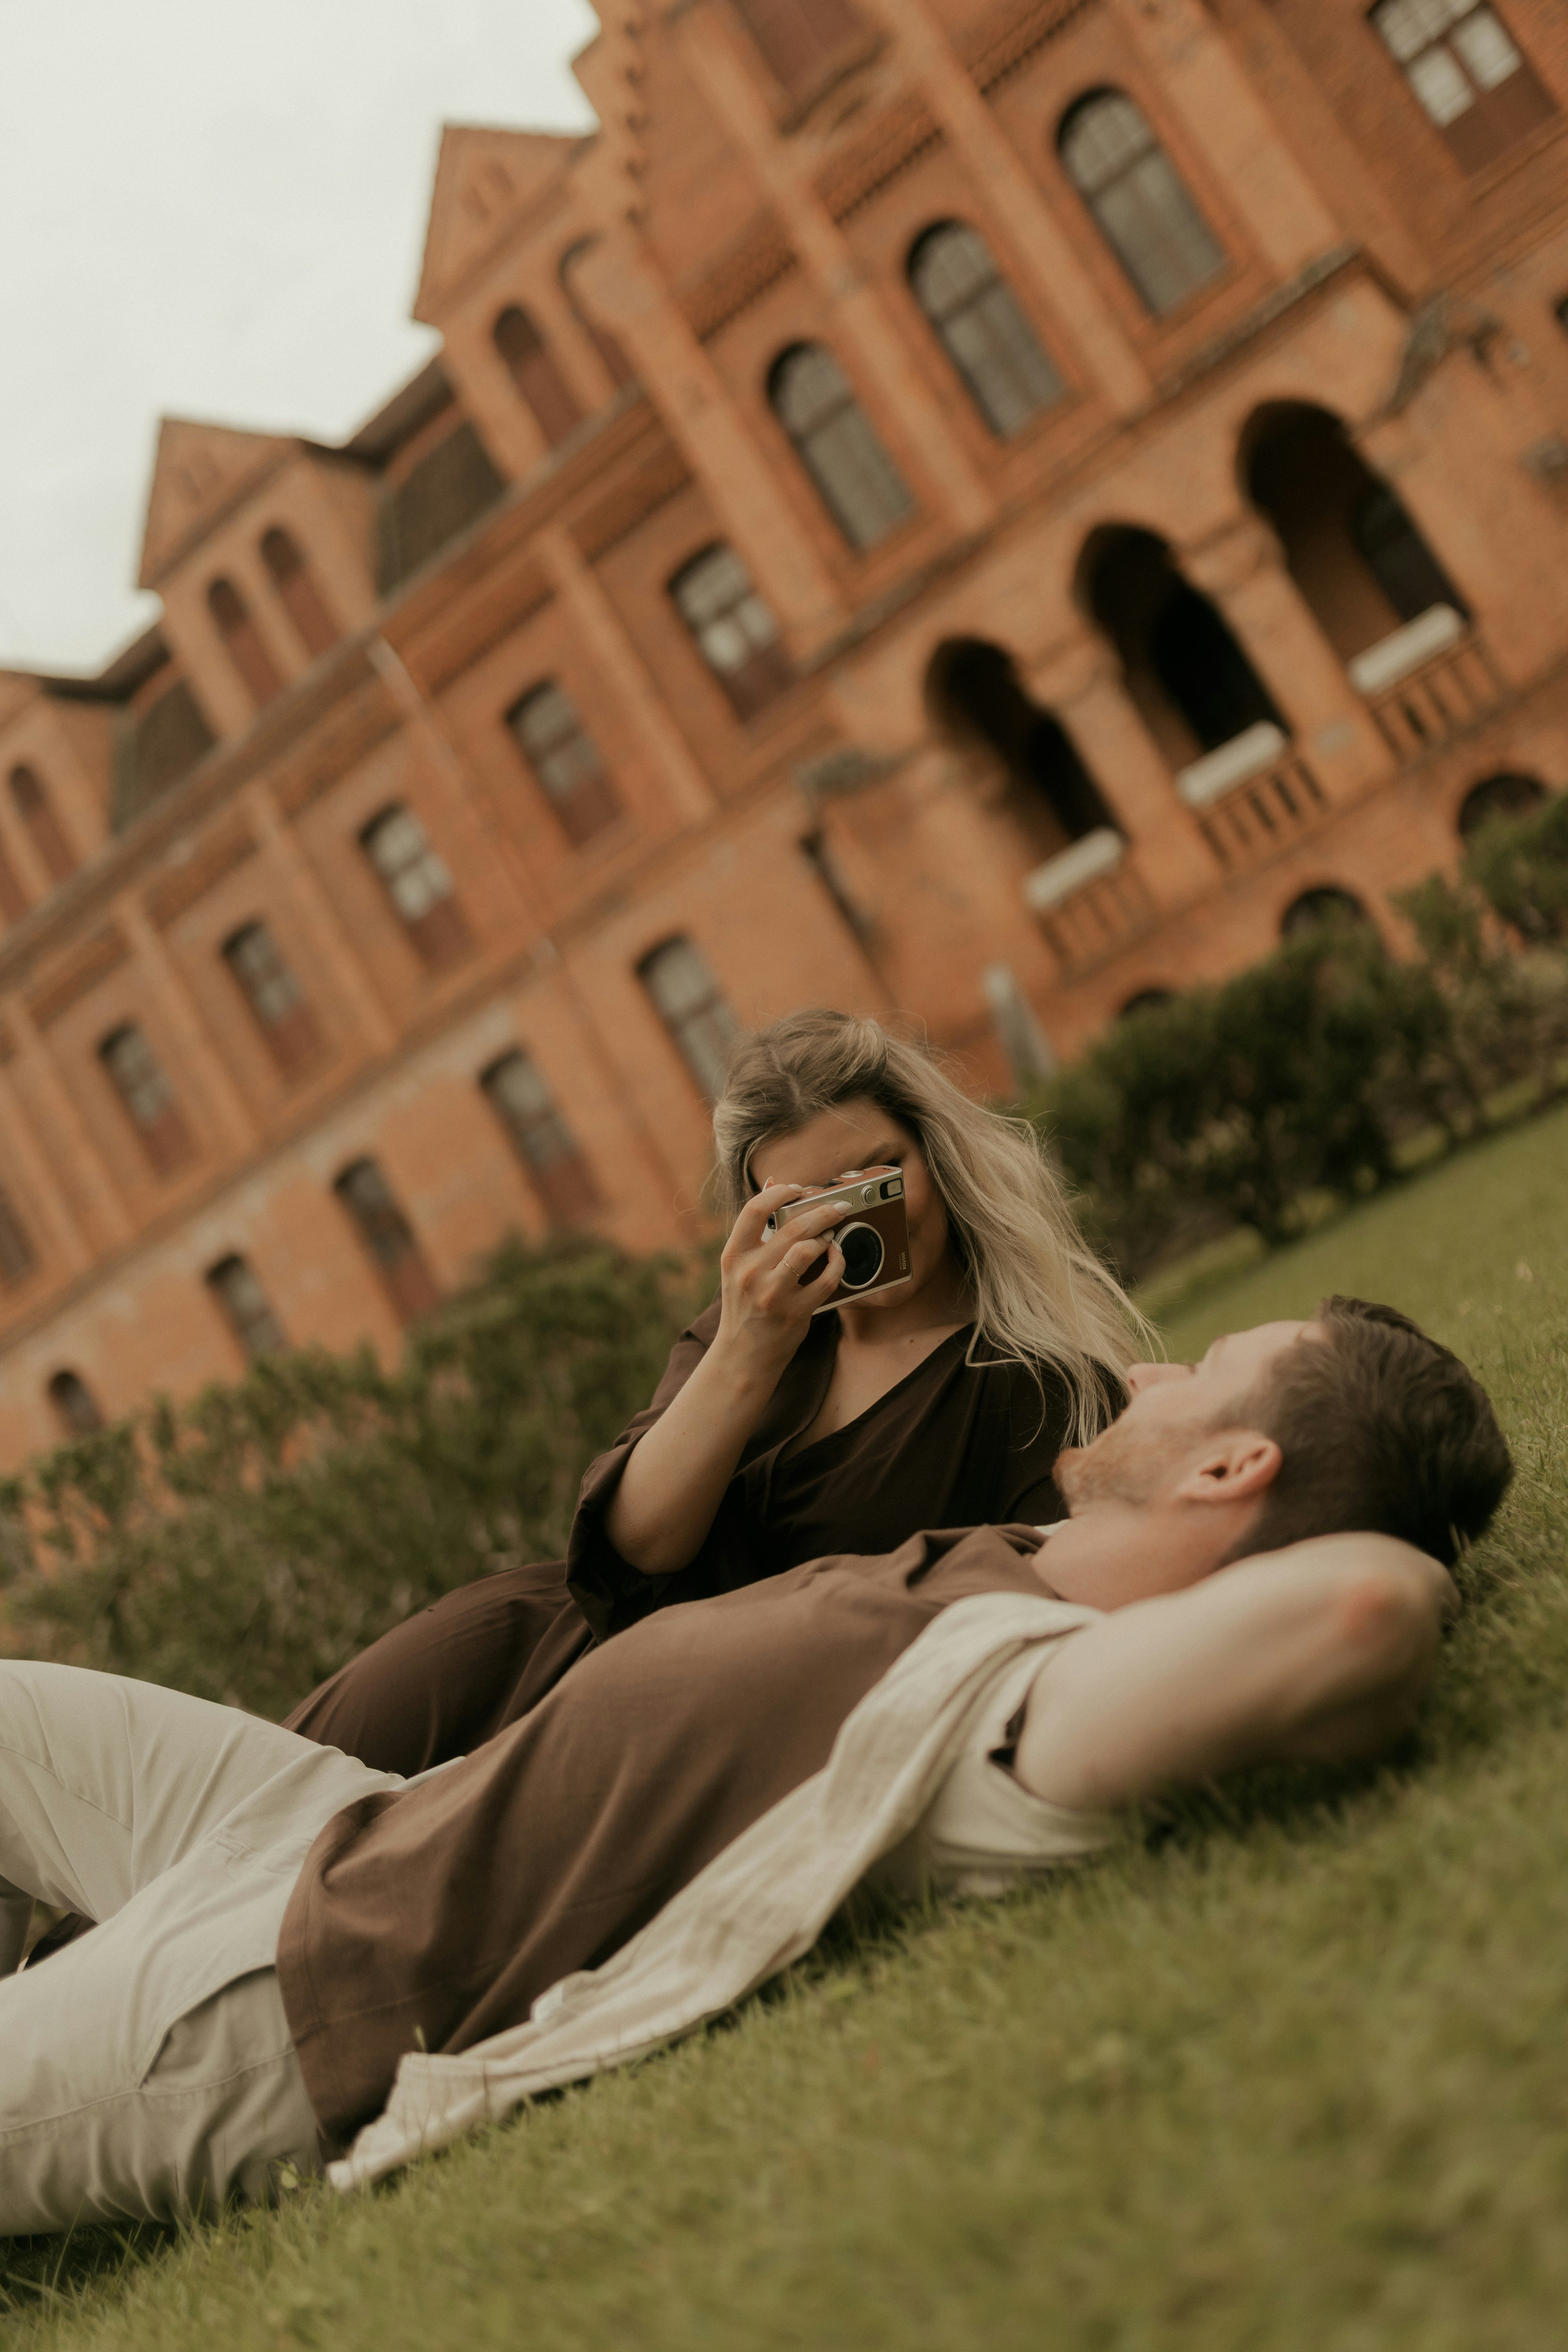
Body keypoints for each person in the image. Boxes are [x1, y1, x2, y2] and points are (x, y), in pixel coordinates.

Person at [0, 1297, 1511, 2232]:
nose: (1153, 1363)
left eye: (1209, 1373)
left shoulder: (1020, 1711)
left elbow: (1363, 1607)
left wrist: (1405, 1531)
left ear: (1233, 1470)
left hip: (299, 1986)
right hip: (334, 1824)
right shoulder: (1022, 1559)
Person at [283, 1009, 1140, 1775]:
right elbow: (634, 1549)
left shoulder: (1028, 1382)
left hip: (675, 1735)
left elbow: (1034, 1620)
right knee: (249, 1797)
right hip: (519, 1653)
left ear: (937, 1155)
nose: (855, 1221)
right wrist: (745, 1349)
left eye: (876, 1177)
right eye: (810, 1202)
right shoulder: (755, 1328)